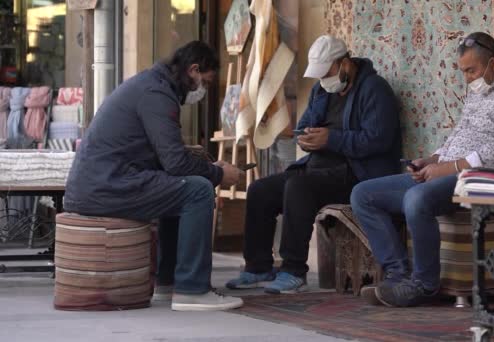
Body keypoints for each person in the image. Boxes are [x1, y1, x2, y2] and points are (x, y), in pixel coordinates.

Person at [350, 32, 494, 307]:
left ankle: (424, 285)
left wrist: (448, 168)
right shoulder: (479, 91)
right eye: (464, 71)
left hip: (484, 177)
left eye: (471, 70)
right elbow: (459, 134)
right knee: (363, 195)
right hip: (449, 171)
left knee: (417, 199)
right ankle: (397, 276)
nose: (467, 78)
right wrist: (432, 160)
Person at [63, 41, 244, 311]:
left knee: (178, 189)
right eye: (205, 82)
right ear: (193, 70)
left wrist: (201, 162)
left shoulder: (153, 84)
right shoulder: (157, 94)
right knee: (198, 189)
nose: (203, 91)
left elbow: (165, 157)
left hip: (101, 183)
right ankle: (192, 289)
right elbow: (175, 164)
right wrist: (218, 173)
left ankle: (168, 283)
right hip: (106, 186)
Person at [225, 35, 402, 294]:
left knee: (299, 186)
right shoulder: (323, 90)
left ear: (345, 63)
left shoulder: (374, 89)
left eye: (327, 71)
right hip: (318, 168)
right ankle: (258, 266)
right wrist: (305, 139)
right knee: (260, 190)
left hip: (356, 173)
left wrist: (332, 139)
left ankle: (293, 270)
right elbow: (303, 125)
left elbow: (378, 140)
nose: (323, 79)